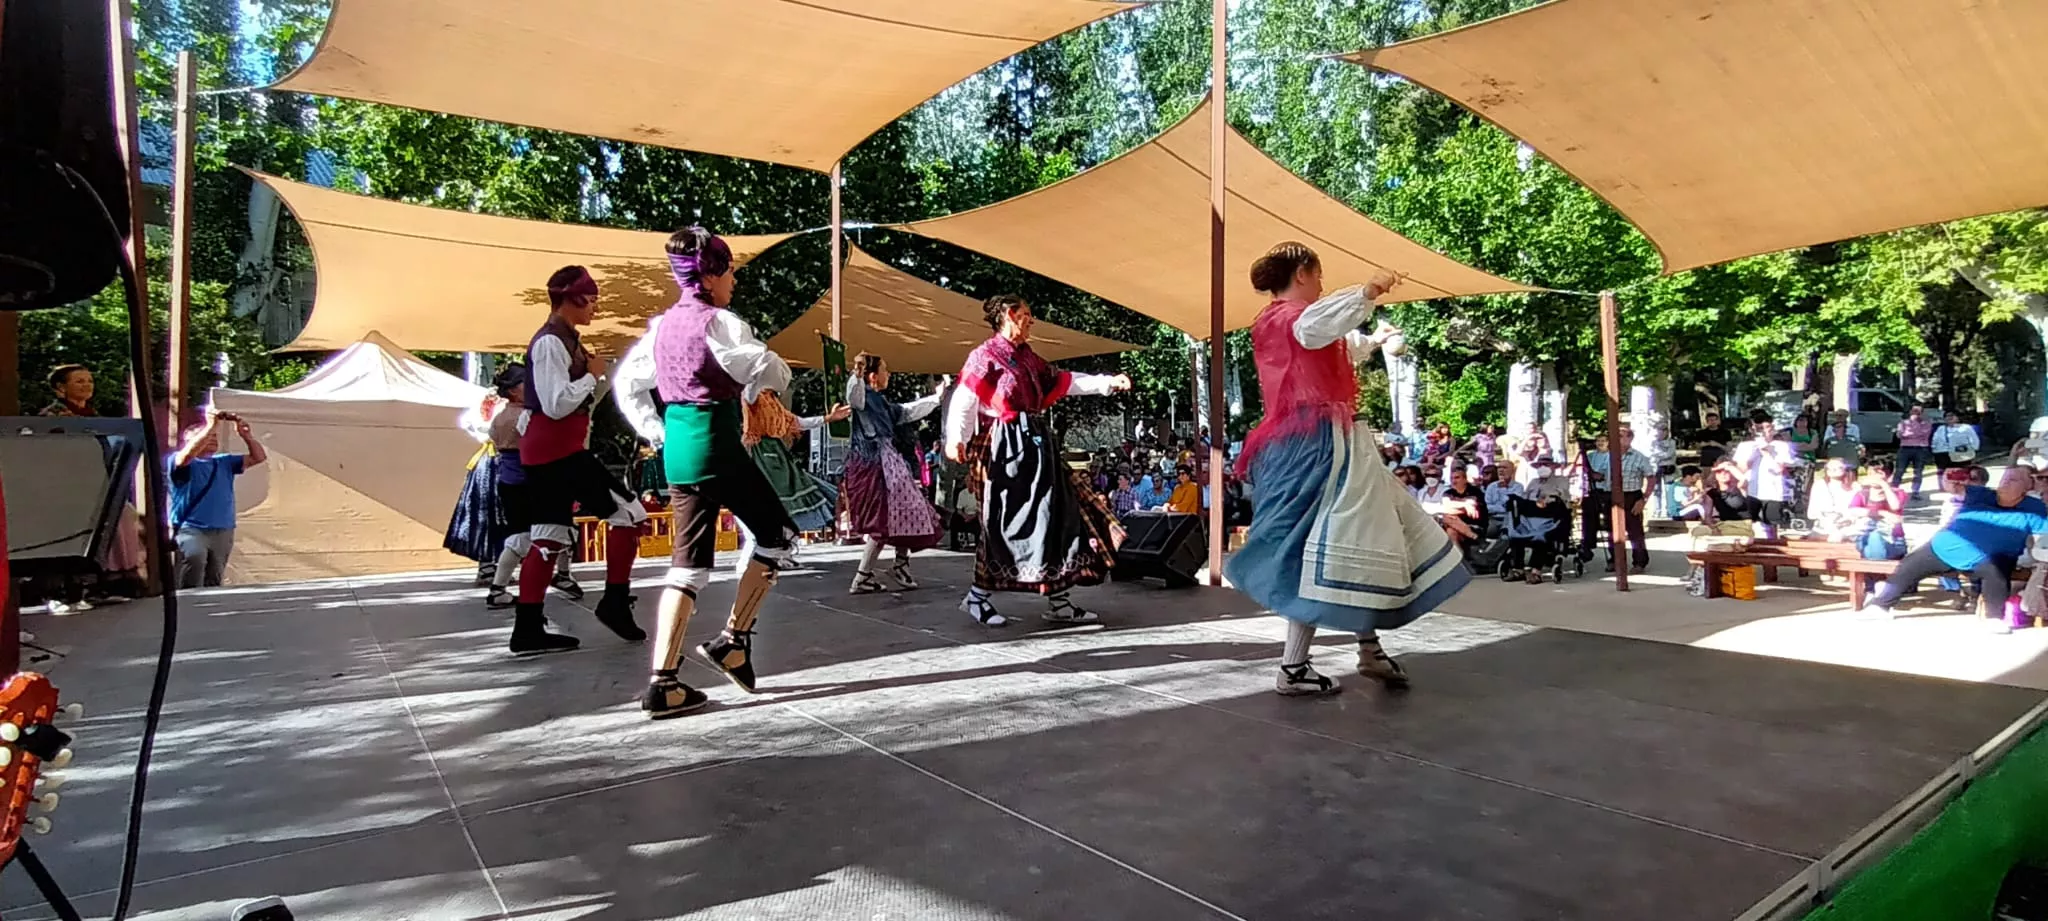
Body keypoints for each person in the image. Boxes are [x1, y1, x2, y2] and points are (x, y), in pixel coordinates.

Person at [1222, 242, 1468, 696]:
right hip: (1317, 445)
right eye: (1317, 275)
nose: (1320, 283)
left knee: (1357, 538)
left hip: (1320, 441)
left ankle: (1365, 648)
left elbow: (1331, 346)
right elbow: (1318, 329)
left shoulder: (1282, 323)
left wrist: (1373, 337)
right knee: (1330, 545)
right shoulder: (1293, 318)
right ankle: (1298, 667)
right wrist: (1367, 291)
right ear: (1302, 274)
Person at [612, 227, 806, 717]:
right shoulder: (719, 323)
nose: (735, 280)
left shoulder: (660, 329)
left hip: (678, 452)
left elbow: (628, 385)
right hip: (718, 447)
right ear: (713, 274)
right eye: (731, 271)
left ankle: (663, 682)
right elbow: (770, 366)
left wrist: (657, 431)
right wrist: (754, 390)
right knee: (778, 535)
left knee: (688, 563)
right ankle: (733, 640)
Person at [943, 294, 1131, 627]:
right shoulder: (983, 357)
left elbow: (1065, 381)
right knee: (1003, 524)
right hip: (1003, 450)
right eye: (1027, 314)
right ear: (1010, 316)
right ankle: (976, 597)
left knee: (1055, 517)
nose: (1032, 320)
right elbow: (965, 398)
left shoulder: (1029, 359)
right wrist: (956, 439)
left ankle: (1059, 601)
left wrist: (1105, 383)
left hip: (1036, 447)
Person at [508, 265, 650, 657]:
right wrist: (592, 375)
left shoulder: (562, 339)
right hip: (560, 452)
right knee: (629, 513)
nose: (595, 307)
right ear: (574, 299)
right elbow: (554, 405)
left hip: (550, 451)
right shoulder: (551, 343)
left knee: (548, 536)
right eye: (591, 300)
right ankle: (614, 602)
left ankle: (528, 627)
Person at [1862, 467, 2048, 633]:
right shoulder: (1980, 494)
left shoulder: (2034, 508)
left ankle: (1994, 618)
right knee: (1908, 566)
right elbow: (1953, 487)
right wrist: (1950, 477)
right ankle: (1880, 606)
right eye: (2004, 478)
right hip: (1945, 547)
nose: (2006, 482)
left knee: (1997, 573)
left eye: (2014, 479)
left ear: (2027, 487)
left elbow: (2042, 535)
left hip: (1990, 559)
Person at [843, 353, 948, 594]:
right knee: (885, 520)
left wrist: (936, 398)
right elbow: (853, 396)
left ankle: (880, 571)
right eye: (885, 370)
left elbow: (907, 411)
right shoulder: (864, 398)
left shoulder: (882, 403)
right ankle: (872, 574)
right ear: (873, 376)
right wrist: (856, 374)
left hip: (887, 464)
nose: (888, 374)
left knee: (906, 512)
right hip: (873, 465)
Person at [736, 386, 850, 574]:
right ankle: (751, 563)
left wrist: (828, 418)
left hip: (777, 459)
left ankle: (779, 555)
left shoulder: (772, 400)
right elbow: (749, 393)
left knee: (786, 513)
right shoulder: (753, 394)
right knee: (761, 514)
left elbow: (796, 422)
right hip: (759, 456)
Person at [167, 408, 267, 588]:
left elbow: (258, 457)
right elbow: (186, 456)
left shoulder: (224, 461)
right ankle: (187, 603)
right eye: (208, 436)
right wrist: (211, 426)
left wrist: (247, 437)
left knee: (214, 575)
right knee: (194, 560)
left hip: (222, 528)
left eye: (214, 436)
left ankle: (209, 607)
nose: (212, 438)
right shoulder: (180, 460)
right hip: (191, 527)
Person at [447, 388, 513, 587]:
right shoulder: (506, 409)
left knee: (487, 515)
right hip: (500, 462)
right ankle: (492, 567)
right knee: (496, 515)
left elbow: (466, 423)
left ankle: (491, 567)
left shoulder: (485, 406)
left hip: (487, 462)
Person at [1582, 426, 1657, 573]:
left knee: (1634, 531)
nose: (1617, 439)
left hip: (1631, 495)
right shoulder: (1608, 456)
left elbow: (1651, 477)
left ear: (1629, 438)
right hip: (1611, 495)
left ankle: (1639, 562)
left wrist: (1643, 499)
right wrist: (1587, 467)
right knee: (1612, 530)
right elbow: (1601, 475)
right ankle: (1614, 559)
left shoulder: (1638, 457)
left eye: (1622, 436)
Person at [1732, 411, 1793, 537]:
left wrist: (1767, 452)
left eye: (1767, 428)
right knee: (1751, 523)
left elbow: (1780, 469)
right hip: (1751, 491)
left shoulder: (1782, 446)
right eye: (1760, 429)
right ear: (1753, 429)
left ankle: (1774, 548)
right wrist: (1754, 453)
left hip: (1773, 491)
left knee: (1771, 524)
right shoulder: (1745, 446)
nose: (1765, 432)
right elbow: (1741, 469)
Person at [1806, 457, 1862, 541]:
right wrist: (1825, 518)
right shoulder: (1819, 485)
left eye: (1837, 467)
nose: (1832, 470)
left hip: (1848, 528)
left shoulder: (1855, 486)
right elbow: (1811, 513)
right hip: (1823, 528)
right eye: (1829, 468)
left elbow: (1858, 512)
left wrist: (1845, 521)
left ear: (1846, 469)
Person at [1893, 404, 1935, 497]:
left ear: (1922, 413)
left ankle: (1915, 491)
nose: (1917, 413)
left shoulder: (1927, 423)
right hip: (1905, 449)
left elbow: (1925, 434)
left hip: (1920, 449)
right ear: (1911, 412)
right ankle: (1894, 489)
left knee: (1918, 471)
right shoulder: (1903, 423)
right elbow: (1899, 435)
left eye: (1919, 411)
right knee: (1900, 470)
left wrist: (1908, 433)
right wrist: (1913, 433)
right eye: (1915, 411)